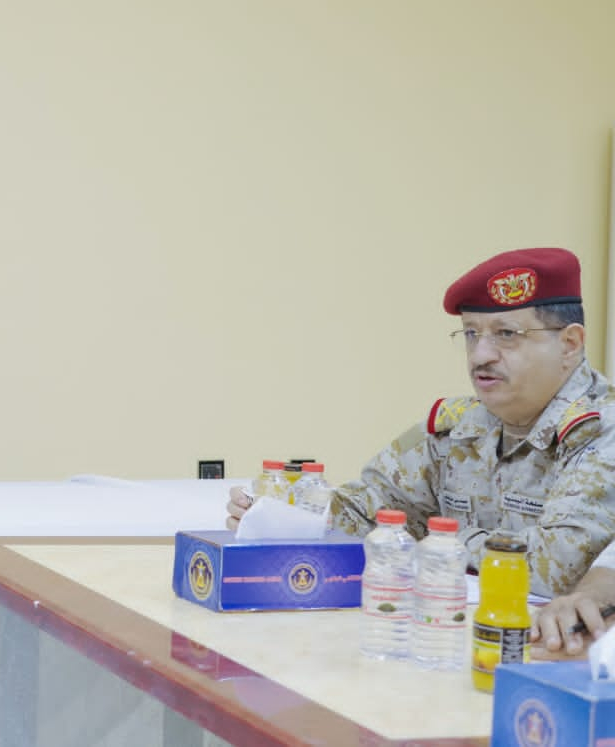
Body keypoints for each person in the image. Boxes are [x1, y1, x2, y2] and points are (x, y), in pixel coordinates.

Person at [226, 247, 615, 599]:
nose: (480, 355)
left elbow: (557, 569)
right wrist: (285, 511)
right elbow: (366, 511)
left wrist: (434, 540)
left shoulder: (601, 430)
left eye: (506, 335)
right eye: (471, 334)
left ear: (569, 344)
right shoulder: (460, 427)